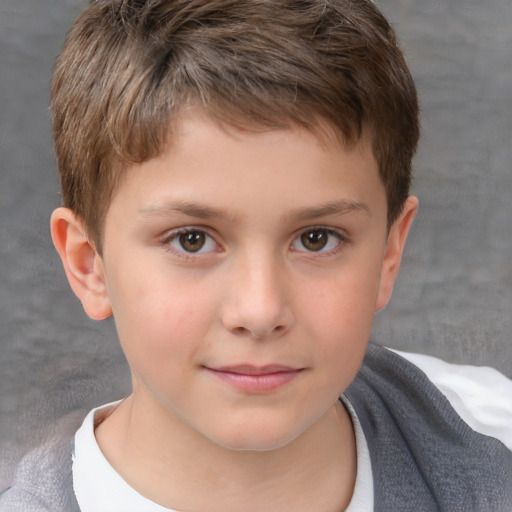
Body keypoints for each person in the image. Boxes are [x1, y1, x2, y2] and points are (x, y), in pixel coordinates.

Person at [1, 0, 511, 510]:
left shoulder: (494, 432)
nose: (260, 311)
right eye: (191, 240)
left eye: (317, 238)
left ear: (387, 254)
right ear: (89, 265)